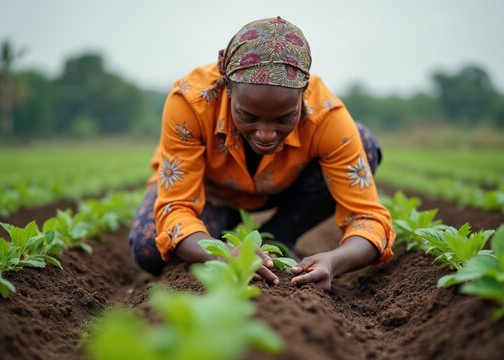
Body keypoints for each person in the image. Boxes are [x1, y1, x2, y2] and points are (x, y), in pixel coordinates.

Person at [129, 17, 395, 290]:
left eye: (283, 119)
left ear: (304, 93)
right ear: (228, 89)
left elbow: (368, 217)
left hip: (285, 193)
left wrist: (334, 261)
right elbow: (176, 207)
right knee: (149, 248)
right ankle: (219, 236)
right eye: (249, 117)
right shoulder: (192, 102)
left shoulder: (326, 117)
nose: (265, 134)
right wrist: (220, 254)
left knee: (363, 141)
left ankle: (278, 238)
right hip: (212, 195)